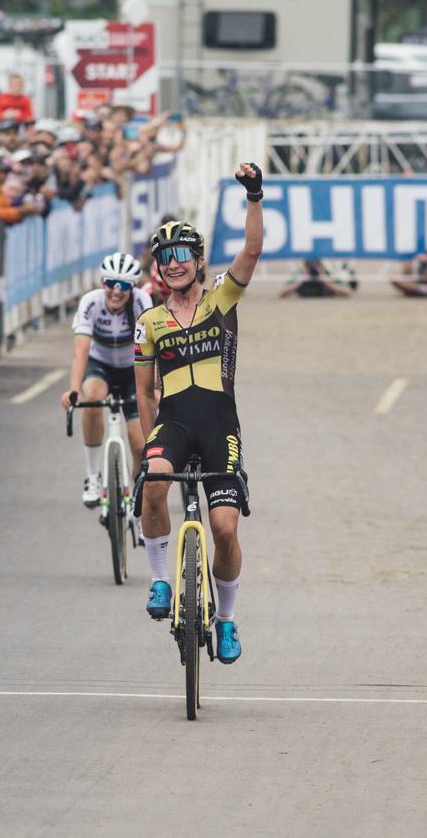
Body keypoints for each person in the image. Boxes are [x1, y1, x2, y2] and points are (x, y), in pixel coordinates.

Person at [133, 163, 264, 665]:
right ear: (158, 267)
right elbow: (145, 393)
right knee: (153, 481)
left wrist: (254, 194)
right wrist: (149, 444)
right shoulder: (150, 322)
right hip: (174, 422)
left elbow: (251, 250)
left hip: (219, 425)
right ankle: (162, 580)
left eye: (183, 254)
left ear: (198, 260)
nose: (174, 263)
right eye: (165, 257)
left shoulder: (221, 300)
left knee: (225, 528)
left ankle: (227, 620)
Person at [60, 252, 151, 509]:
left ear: (132, 288)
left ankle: (139, 495)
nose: (116, 291)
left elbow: (154, 348)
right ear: (102, 283)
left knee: (139, 442)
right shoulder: (91, 303)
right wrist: (74, 391)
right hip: (100, 366)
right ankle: (92, 476)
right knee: (92, 397)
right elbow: (81, 352)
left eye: (123, 286)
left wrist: (155, 387)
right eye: (110, 283)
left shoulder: (142, 302)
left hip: (134, 370)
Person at [279, 258, 353, 298]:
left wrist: (327, 282)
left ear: (321, 265)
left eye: (316, 265)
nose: (313, 269)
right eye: (310, 266)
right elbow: (282, 293)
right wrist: (301, 281)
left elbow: (348, 292)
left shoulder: (328, 274)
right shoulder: (301, 274)